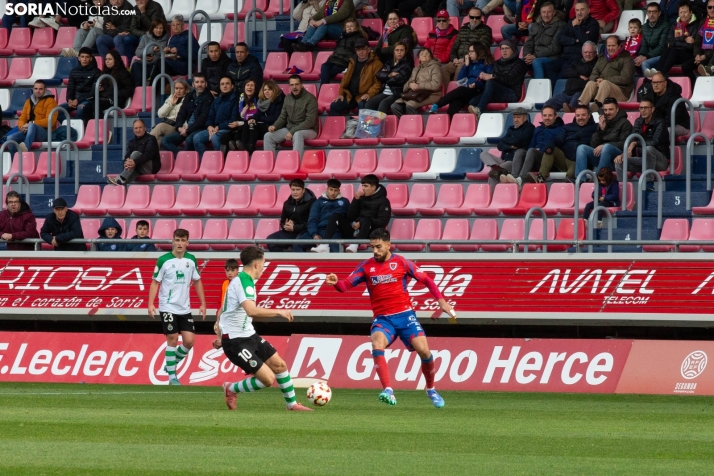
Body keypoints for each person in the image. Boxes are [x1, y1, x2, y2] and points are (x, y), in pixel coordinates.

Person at [325, 228, 456, 408]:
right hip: (383, 319)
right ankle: (388, 390)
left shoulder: (401, 262)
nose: (375, 251)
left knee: (425, 352)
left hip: (405, 316)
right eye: (372, 247)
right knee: (377, 343)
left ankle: (431, 389)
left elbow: (426, 280)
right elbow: (345, 286)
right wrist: (335, 282)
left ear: (388, 245)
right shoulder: (366, 266)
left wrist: (441, 301)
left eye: (379, 247)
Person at [216, 246, 313, 411]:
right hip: (236, 342)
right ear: (255, 264)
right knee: (268, 379)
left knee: (280, 365)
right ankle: (231, 389)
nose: (263, 268)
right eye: (263, 264)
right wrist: (278, 312)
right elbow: (251, 310)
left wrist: (219, 331)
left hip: (249, 335)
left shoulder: (245, 280)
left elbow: (227, 310)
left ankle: (292, 405)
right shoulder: (244, 283)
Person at [148, 228, 206, 385]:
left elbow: (197, 281)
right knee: (172, 339)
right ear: (172, 241)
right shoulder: (163, 260)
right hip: (167, 306)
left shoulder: (191, 260)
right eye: (177, 240)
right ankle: (172, 377)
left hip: (184, 308)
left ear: (187, 242)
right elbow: (155, 282)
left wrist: (203, 303)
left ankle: (170, 365)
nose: (180, 243)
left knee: (189, 342)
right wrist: (151, 303)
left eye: (183, 240)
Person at [320, 174, 391, 253]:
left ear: (373, 187)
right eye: (362, 186)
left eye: (366, 186)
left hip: (370, 232)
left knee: (367, 220)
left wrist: (361, 222)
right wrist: (355, 200)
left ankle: (355, 245)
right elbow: (350, 216)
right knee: (335, 216)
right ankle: (324, 245)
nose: (363, 188)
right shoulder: (361, 198)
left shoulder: (384, 201)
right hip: (354, 230)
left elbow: (382, 222)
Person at [503, 105, 565, 187]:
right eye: (545, 115)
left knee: (532, 151)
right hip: (536, 160)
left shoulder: (561, 129)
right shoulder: (538, 129)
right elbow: (531, 146)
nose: (547, 118)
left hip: (550, 161)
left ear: (555, 116)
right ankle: (514, 177)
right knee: (520, 151)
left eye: (550, 115)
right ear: (542, 116)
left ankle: (521, 178)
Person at [428, 43, 494, 117]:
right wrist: (466, 65)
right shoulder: (469, 64)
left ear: (478, 52)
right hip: (467, 90)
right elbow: (460, 79)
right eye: (469, 51)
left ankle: (437, 105)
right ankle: (451, 124)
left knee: (460, 90)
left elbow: (488, 80)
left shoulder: (487, 63)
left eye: (472, 51)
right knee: (455, 102)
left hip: (479, 91)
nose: (469, 54)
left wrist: (476, 84)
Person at [467, 40, 527, 120]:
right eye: (502, 49)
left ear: (513, 49)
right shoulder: (497, 63)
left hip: (512, 93)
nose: (504, 51)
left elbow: (510, 80)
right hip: (497, 92)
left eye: (507, 48)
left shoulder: (519, 64)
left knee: (491, 81)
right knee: (472, 102)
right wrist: (483, 77)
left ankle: (480, 110)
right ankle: (484, 121)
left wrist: (492, 76)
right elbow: (490, 78)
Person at [544, 1, 600, 86]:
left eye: (582, 10)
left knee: (564, 70)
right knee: (548, 66)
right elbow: (560, 38)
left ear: (588, 11)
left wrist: (577, 27)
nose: (579, 13)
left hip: (579, 57)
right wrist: (575, 40)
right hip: (565, 56)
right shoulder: (571, 21)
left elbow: (586, 41)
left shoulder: (593, 24)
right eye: (577, 10)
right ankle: (553, 90)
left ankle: (558, 91)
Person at [575, 97, 634, 177]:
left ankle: (598, 179)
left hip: (619, 160)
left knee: (607, 147)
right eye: (605, 110)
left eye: (610, 109)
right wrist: (601, 130)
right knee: (581, 148)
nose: (607, 112)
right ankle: (580, 180)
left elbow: (624, 144)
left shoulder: (625, 123)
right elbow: (593, 145)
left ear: (617, 109)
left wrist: (604, 146)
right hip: (603, 158)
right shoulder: (603, 122)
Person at [614, 99, 670, 182]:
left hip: (660, 161)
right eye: (641, 108)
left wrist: (635, 143)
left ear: (652, 109)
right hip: (643, 160)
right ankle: (623, 189)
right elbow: (632, 138)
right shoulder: (638, 121)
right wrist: (623, 154)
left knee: (648, 149)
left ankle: (648, 184)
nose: (643, 110)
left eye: (646, 108)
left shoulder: (660, 122)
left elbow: (654, 142)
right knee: (620, 162)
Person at [264, 75, 319, 156]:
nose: (294, 87)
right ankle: (269, 165)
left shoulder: (311, 99)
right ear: (289, 86)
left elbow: (310, 122)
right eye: (292, 85)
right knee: (268, 136)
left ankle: (295, 163)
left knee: (298, 134)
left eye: (297, 84)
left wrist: (292, 132)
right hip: (290, 128)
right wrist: (275, 126)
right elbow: (283, 116)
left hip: (309, 130)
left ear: (302, 85)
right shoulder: (287, 98)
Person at [578, 35, 635, 111]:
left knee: (605, 83)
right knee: (590, 83)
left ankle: (597, 106)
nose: (610, 48)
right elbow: (594, 73)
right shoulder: (602, 57)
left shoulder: (626, 58)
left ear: (619, 46)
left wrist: (604, 80)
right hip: (601, 88)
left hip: (621, 92)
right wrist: (597, 80)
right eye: (608, 46)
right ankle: (581, 107)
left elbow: (626, 78)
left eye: (613, 45)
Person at [161, 73, 214, 155]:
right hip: (185, 129)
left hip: (199, 128)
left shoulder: (209, 97)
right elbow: (181, 113)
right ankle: (182, 158)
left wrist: (188, 130)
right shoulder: (189, 96)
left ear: (206, 83)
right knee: (165, 140)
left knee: (189, 140)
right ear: (193, 84)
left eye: (202, 82)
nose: (199, 84)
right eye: (197, 82)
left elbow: (203, 119)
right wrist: (179, 127)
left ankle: (189, 161)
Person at [483, 108, 536, 188]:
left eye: (518, 117)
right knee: (483, 154)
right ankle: (495, 167)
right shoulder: (510, 129)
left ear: (525, 118)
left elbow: (519, 141)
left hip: (513, 161)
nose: (516, 120)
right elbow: (500, 145)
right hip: (503, 159)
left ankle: (492, 194)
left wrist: (506, 141)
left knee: (493, 174)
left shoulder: (529, 128)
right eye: (514, 117)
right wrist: (510, 146)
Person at [330, 38, 384, 115]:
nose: (361, 52)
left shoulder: (377, 63)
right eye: (358, 50)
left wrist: (369, 94)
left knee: (362, 105)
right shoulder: (352, 61)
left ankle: (361, 127)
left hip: (364, 95)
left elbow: (377, 83)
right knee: (334, 105)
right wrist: (341, 93)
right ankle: (336, 127)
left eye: (363, 49)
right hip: (350, 95)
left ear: (368, 50)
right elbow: (345, 79)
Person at [649, 1, 699, 83]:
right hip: (675, 53)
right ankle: (657, 72)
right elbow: (669, 41)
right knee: (668, 50)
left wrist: (676, 40)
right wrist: (684, 39)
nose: (683, 15)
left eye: (685, 12)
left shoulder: (695, 25)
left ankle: (660, 74)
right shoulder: (675, 25)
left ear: (690, 12)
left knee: (673, 51)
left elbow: (691, 46)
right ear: (678, 14)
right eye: (681, 12)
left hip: (688, 54)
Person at [82, 50, 136, 127]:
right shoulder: (104, 72)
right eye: (106, 59)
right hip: (104, 98)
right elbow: (103, 89)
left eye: (110, 59)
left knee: (96, 104)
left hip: (117, 100)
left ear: (116, 60)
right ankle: (88, 130)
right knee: (87, 107)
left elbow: (129, 90)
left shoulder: (123, 73)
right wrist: (99, 90)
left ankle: (101, 129)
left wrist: (114, 93)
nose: (107, 61)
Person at [101, 0, 166, 61]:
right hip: (139, 34)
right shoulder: (135, 8)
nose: (140, 2)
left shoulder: (155, 7)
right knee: (127, 39)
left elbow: (154, 28)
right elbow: (132, 28)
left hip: (153, 35)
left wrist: (143, 12)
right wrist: (116, 32)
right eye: (137, 0)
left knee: (142, 39)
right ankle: (130, 63)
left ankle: (143, 63)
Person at [546, 104, 598, 179]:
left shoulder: (595, 127)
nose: (580, 118)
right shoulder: (567, 127)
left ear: (589, 116)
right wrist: (549, 144)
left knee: (570, 176)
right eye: (578, 115)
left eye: (583, 115)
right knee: (550, 148)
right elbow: (558, 139)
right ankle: (540, 177)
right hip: (566, 158)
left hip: (582, 161)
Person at [6, 80, 58, 155]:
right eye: (36, 89)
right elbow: (22, 118)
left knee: (32, 125)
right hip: (29, 131)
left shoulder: (51, 102)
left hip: (45, 132)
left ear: (45, 90)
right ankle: (15, 162)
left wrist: (32, 123)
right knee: (10, 139)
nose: (38, 91)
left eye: (40, 89)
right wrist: (22, 127)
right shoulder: (28, 101)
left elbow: (51, 121)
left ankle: (25, 148)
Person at [546, 41, 598, 112]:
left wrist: (575, 71)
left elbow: (586, 71)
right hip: (567, 92)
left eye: (590, 52)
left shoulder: (597, 63)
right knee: (548, 105)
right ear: (582, 53)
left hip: (581, 92)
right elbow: (566, 71)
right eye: (585, 52)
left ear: (595, 53)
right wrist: (579, 75)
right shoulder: (577, 61)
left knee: (573, 105)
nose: (587, 54)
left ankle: (573, 120)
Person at [266, 179, 317, 252]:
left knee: (297, 243)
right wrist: (285, 226)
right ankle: (282, 262)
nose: (295, 192)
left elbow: (312, 222)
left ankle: (299, 263)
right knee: (271, 241)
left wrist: (295, 228)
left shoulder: (313, 202)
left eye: (298, 189)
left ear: (303, 190)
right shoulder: (287, 203)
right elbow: (282, 221)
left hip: (306, 231)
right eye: (293, 190)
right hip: (290, 231)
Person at [193, 77, 238, 157]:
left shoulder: (235, 100)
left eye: (227, 84)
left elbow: (233, 119)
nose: (224, 86)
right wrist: (209, 126)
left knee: (215, 137)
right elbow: (210, 116)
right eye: (222, 84)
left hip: (227, 129)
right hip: (214, 128)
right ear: (220, 87)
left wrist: (219, 127)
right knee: (197, 138)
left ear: (232, 86)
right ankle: (205, 162)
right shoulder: (216, 100)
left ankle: (220, 161)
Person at [391, 48, 443, 118]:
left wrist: (418, 86)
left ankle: (414, 125)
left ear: (431, 57)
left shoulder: (435, 67)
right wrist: (410, 85)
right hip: (415, 93)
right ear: (419, 58)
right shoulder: (416, 68)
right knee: (395, 106)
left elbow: (436, 85)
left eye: (427, 54)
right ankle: (404, 124)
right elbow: (405, 86)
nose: (424, 55)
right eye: (422, 54)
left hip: (431, 94)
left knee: (410, 105)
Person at [445, 7, 493, 81]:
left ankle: (455, 90)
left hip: (472, 61)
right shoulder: (463, 29)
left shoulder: (486, 30)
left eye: (477, 17)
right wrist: (454, 59)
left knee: (460, 70)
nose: (474, 20)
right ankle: (445, 91)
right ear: (468, 16)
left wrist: (464, 59)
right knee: (443, 69)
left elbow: (482, 48)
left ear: (481, 17)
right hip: (458, 60)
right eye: (472, 17)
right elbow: (454, 47)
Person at [638, 71, 691, 136]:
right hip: (658, 124)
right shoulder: (649, 95)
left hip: (680, 125)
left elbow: (670, 121)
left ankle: (661, 146)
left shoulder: (674, 98)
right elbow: (643, 115)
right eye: (653, 82)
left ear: (665, 83)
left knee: (663, 131)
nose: (655, 85)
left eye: (658, 82)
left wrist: (652, 127)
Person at [366, 43, 414, 114]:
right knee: (369, 103)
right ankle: (371, 124)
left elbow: (401, 79)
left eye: (402, 50)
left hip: (396, 93)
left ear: (405, 51)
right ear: (394, 51)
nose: (399, 52)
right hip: (385, 92)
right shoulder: (389, 61)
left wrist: (386, 77)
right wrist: (389, 75)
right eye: (397, 50)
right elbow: (378, 74)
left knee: (383, 104)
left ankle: (381, 125)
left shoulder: (408, 63)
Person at [109, 120, 161, 185]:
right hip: (138, 167)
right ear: (133, 130)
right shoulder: (132, 142)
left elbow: (148, 155)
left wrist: (134, 162)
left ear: (145, 128)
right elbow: (127, 156)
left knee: (135, 154)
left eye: (140, 127)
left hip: (151, 167)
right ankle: (121, 183)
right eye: (136, 128)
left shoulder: (151, 139)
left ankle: (121, 178)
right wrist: (126, 163)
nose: (138, 130)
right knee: (131, 170)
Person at [319, 19, 369, 85]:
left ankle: (323, 91)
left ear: (356, 28)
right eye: (347, 27)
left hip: (345, 62)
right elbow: (336, 49)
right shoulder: (341, 37)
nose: (349, 28)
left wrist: (350, 61)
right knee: (324, 66)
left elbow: (356, 53)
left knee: (327, 73)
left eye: (351, 26)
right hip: (334, 59)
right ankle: (323, 91)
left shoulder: (358, 38)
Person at [521, 3, 565, 79]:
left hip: (552, 57)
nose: (546, 15)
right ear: (540, 13)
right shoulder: (536, 25)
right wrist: (527, 55)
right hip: (534, 56)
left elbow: (555, 48)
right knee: (517, 63)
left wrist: (535, 56)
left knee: (536, 62)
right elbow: (528, 43)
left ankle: (540, 89)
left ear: (554, 12)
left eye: (549, 12)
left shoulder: (560, 25)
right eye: (543, 12)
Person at [306, 179, 350, 253]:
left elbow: (349, 218)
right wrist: (314, 234)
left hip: (336, 232)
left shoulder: (345, 202)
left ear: (339, 190)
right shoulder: (318, 202)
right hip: (319, 230)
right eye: (331, 190)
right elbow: (313, 219)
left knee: (336, 251)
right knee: (298, 243)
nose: (333, 193)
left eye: (335, 190)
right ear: (327, 189)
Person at [241, 80, 285, 154]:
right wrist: (253, 118)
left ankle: (250, 147)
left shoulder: (279, 100)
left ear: (274, 90)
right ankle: (246, 147)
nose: (266, 92)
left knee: (254, 125)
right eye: (265, 90)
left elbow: (275, 118)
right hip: (267, 124)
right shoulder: (264, 101)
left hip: (277, 126)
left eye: (269, 89)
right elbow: (259, 112)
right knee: (248, 123)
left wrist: (259, 119)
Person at [62, 48, 101, 120]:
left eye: (87, 57)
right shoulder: (74, 71)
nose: (84, 59)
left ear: (91, 59)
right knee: (58, 110)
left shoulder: (97, 72)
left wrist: (78, 100)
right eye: (82, 57)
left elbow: (93, 92)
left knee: (80, 109)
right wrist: (69, 100)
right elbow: (70, 89)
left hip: (88, 100)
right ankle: (70, 129)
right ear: (79, 58)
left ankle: (78, 130)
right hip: (74, 100)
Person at [220, 79, 258, 153]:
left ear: (255, 88)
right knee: (225, 137)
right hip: (241, 125)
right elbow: (237, 116)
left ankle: (243, 152)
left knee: (238, 136)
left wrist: (239, 123)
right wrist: (240, 117)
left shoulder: (258, 99)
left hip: (253, 126)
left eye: (252, 85)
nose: (249, 87)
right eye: (247, 85)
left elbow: (258, 116)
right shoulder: (240, 98)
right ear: (244, 88)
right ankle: (222, 160)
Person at [130, 18, 169, 87]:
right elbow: (138, 53)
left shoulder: (166, 39)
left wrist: (154, 58)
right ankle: (138, 91)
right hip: (143, 63)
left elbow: (166, 56)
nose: (159, 30)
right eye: (156, 28)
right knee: (136, 66)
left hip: (155, 65)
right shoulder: (145, 37)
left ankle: (146, 92)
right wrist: (151, 50)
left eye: (161, 28)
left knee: (156, 69)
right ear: (152, 28)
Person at [635, 3, 670, 76]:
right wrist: (641, 56)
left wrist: (646, 57)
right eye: (649, 12)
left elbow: (662, 47)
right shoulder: (644, 27)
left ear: (659, 13)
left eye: (654, 12)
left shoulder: (665, 25)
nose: (651, 15)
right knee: (631, 62)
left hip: (661, 56)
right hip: (648, 55)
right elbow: (644, 45)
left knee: (645, 63)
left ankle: (648, 85)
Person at [150, 79, 188, 143]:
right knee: (158, 138)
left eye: (181, 88)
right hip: (168, 124)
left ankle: (143, 147)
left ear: (185, 90)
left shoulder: (188, 99)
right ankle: (152, 152)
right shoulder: (171, 97)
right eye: (176, 88)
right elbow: (160, 114)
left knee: (160, 126)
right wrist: (171, 104)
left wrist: (185, 128)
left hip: (178, 127)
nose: (178, 91)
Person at [693, 0, 714, 76]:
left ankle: (710, 68)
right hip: (703, 54)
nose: (712, 9)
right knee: (686, 66)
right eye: (710, 7)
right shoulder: (703, 22)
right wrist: (697, 55)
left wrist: (706, 55)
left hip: (710, 55)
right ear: (707, 9)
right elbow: (697, 41)